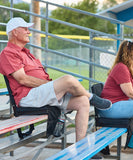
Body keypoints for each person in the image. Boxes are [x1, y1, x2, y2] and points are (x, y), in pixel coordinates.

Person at [0, 16, 112, 149]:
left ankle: (81, 149)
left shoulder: (27, 53)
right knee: (68, 80)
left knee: (82, 101)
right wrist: (49, 86)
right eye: (25, 29)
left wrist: (51, 86)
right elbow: (23, 79)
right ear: (14, 32)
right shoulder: (8, 53)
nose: (28, 32)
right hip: (28, 98)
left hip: (41, 95)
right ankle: (93, 97)